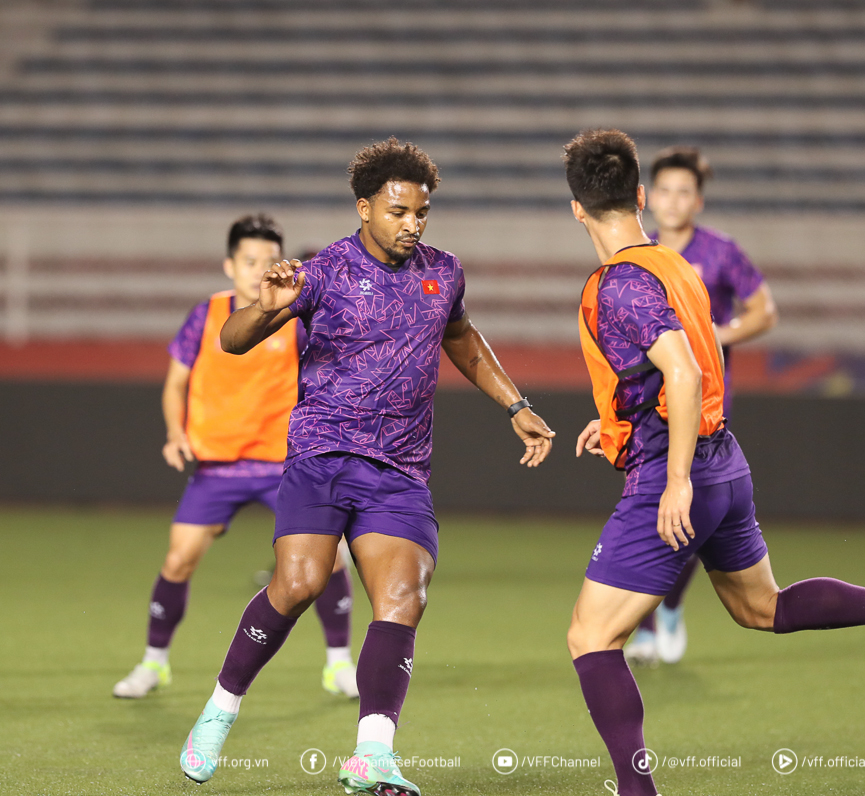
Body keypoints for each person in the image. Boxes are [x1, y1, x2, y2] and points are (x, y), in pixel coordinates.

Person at [562, 128, 865, 796]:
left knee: (590, 638)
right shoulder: (676, 264)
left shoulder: (618, 285)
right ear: (639, 195)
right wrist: (614, 420)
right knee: (762, 609)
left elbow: (686, 376)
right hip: (726, 462)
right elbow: (682, 364)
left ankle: (637, 791)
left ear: (577, 209)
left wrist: (675, 480)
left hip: (682, 469)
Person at [177, 138, 555, 795]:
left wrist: (514, 403)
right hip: (323, 454)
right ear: (365, 208)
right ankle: (220, 707)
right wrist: (267, 305)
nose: (412, 224)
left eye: (422, 213)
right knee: (298, 584)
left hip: (399, 469)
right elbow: (231, 343)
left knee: (404, 598)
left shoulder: (444, 273)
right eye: (399, 211)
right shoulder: (320, 272)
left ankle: (372, 755)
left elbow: (462, 339)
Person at [113, 214, 358, 701]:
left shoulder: (294, 316)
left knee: (329, 562)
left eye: (268, 260)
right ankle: (153, 664)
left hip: (283, 464)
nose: (257, 269)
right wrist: (173, 431)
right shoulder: (206, 315)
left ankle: (338, 665)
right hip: (218, 466)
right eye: (248, 260)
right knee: (179, 559)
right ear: (229, 265)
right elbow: (177, 382)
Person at [625, 145, 779, 667]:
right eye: (664, 190)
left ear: (699, 201)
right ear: (647, 198)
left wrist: (720, 333)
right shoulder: (638, 251)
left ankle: (664, 608)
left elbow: (764, 311)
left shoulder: (719, 252)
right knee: (653, 511)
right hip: (647, 406)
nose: (672, 201)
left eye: (683, 191)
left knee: (689, 511)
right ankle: (649, 622)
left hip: (703, 404)